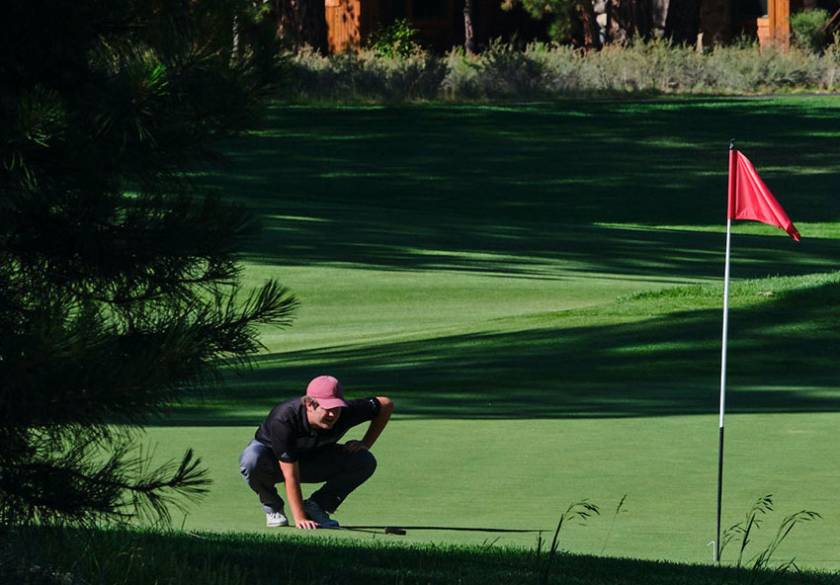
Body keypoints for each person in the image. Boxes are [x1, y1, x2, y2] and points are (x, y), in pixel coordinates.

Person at [239, 375, 394, 529]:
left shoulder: (346, 411)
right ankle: (273, 506)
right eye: (327, 409)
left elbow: (385, 405)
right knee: (252, 460)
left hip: (314, 457)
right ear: (308, 404)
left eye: (336, 408)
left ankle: (316, 506)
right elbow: (290, 475)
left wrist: (365, 443)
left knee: (363, 460)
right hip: (273, 461)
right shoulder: (284, 419)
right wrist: (299, 518)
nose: (333, 415)